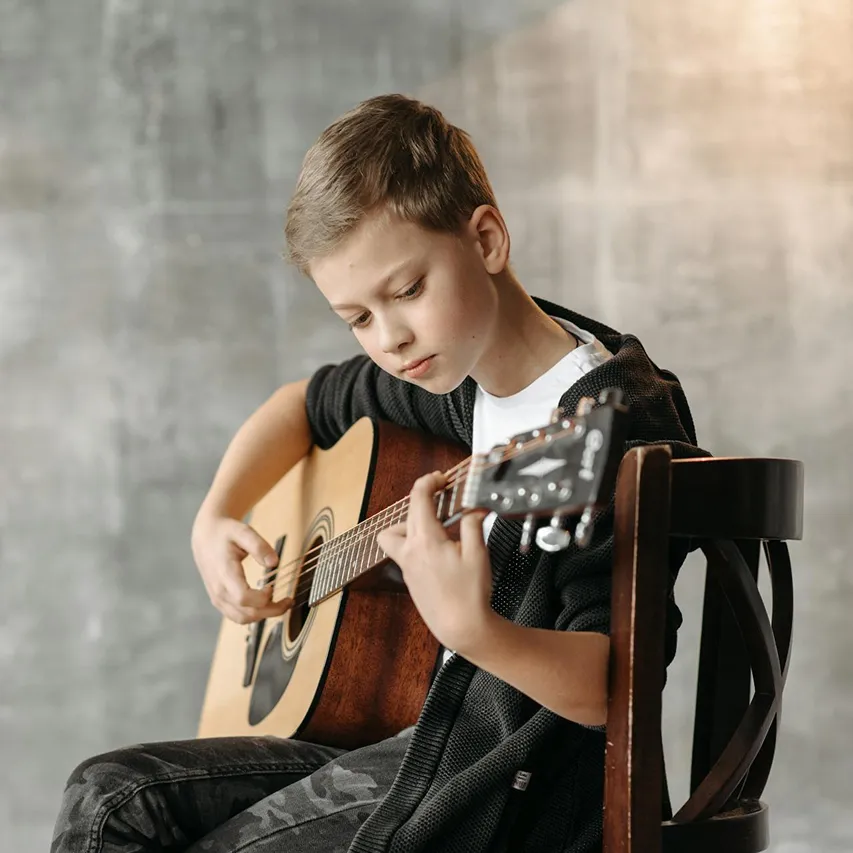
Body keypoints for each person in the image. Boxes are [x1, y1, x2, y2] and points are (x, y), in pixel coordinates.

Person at [52, 94, 706, 853]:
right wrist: (214, 518)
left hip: (510, 795)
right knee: (108, 798)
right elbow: (300, 404)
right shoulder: (458, 370)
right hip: (423, 740)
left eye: (406, 290)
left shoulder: (607, 419)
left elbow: (613, 689)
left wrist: (472, 629)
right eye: (357, 318)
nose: (389, 338)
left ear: (486, 238)